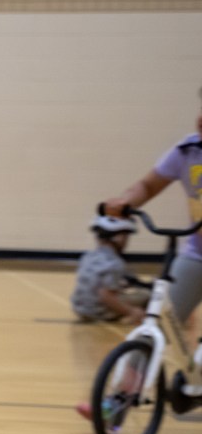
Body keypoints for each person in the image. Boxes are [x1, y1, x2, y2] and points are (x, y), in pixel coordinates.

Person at [100, 90, 202, 329]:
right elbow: (147, 185)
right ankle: (138, 364)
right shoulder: (187, 151)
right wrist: (125, 202)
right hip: (197, 256)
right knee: (157, 325)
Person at [70, 215, 147, 324]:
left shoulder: (88, 256)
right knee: (147, 295)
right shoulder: (115, 263)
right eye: (126, 236)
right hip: (98, 312)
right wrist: (132, 312)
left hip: (80, 309)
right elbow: (105, 296)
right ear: (119, 238)